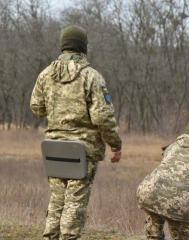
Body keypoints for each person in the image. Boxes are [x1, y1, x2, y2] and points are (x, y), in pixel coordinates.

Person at [30, 25, 122, 240]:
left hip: (53, 148)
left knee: (57, 200)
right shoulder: (91, 77)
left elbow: (36, 108)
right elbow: (102, 117)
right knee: (75, 203)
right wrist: (115, 145)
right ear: (83, 47)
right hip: (81, 150)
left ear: (63, 45)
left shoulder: (45, 75)